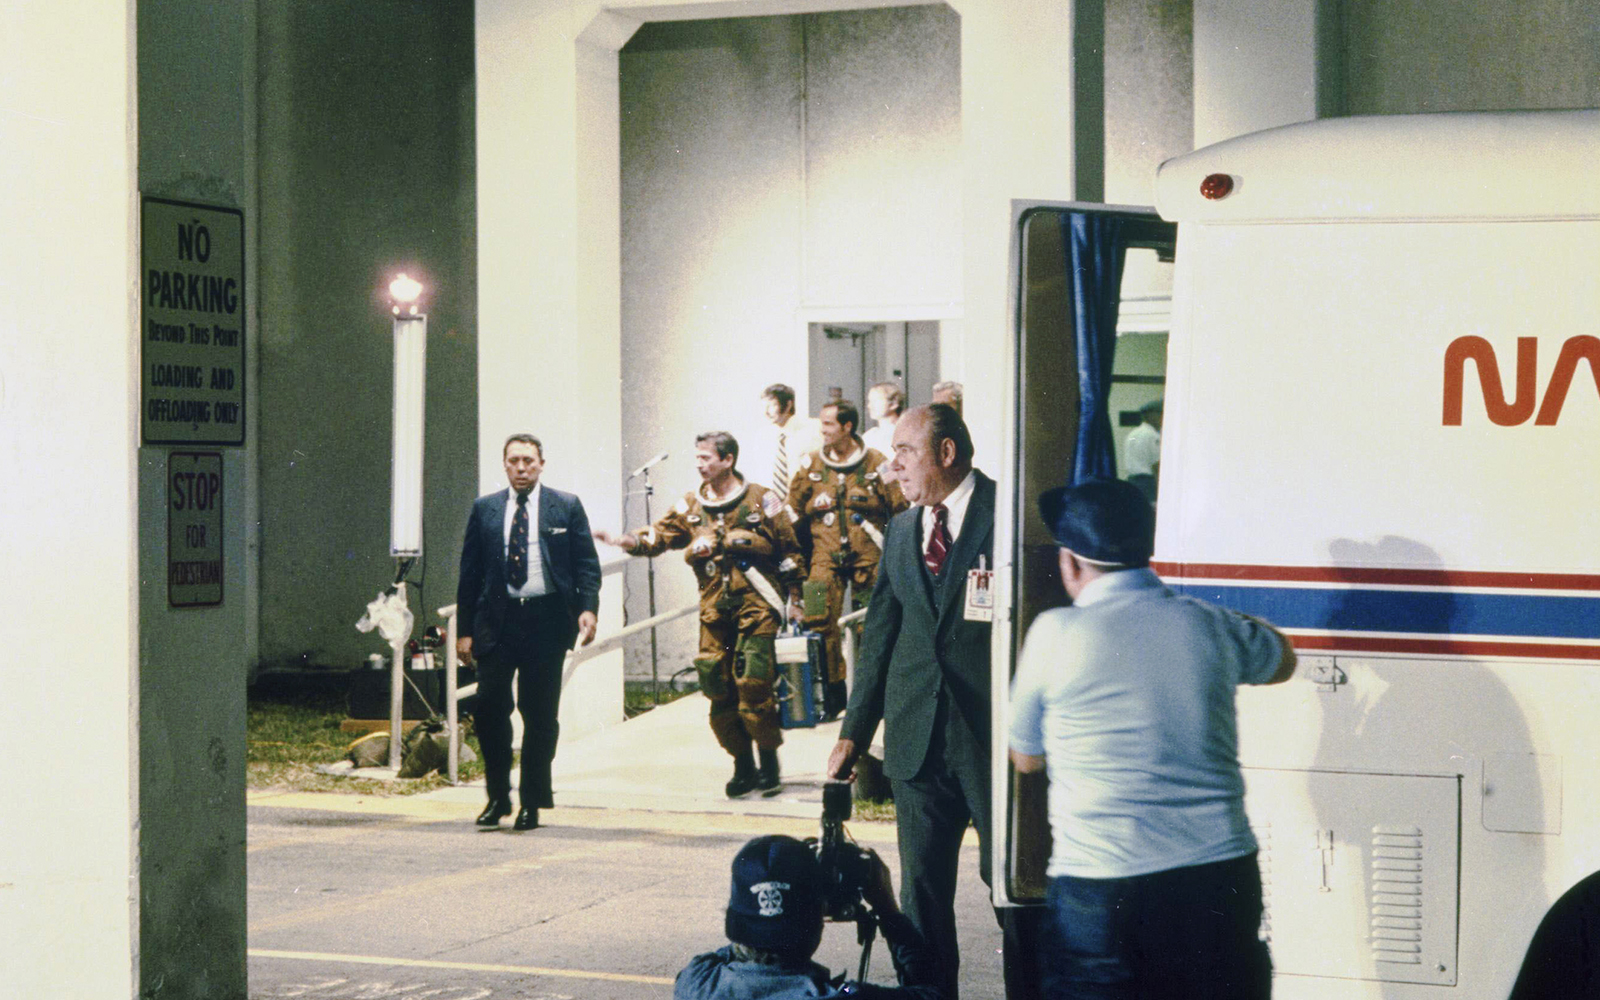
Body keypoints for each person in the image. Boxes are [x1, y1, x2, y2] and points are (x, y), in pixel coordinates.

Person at [1008, 477, 1297, 1000]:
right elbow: (1282, 659)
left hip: (1101, 886)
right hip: (1217, 880)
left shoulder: (1054, 634)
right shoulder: (1207, 624)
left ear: (1071, 563)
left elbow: (1025, 758)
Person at [826, 404, 1041, 1000]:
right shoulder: (901, 530)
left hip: (993, 741)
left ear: (946, 454)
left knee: (1011, 890)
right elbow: (880, 640)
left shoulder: (1010, 518)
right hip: (917, 741)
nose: (892, 466)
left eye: (905, 452)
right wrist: (854, 731)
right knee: (920, 897)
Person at [597, 432, 805, 797]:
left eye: (706, 457)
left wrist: (797, 597)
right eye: (697, 457)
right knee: (716, 685)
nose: (699, 463)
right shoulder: (691, 505)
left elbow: (790, 548)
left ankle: (769, 763)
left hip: (757, 606)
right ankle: (744, 766)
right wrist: (622, 540)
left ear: (728, 460)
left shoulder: (763, 499)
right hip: (714, 610)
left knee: (754, 683)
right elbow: (658, 537)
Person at [455, 434, 601, 831]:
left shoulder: (565, 506)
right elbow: (469, 572)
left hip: (546, 621)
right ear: (504, 464)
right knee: (488, 710)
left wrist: (588, 608)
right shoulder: (485, 508)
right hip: (497, 623)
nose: (522, 468)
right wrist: (465, 631)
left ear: (541, 464)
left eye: (529, 461)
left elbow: (586, 563)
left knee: (540, 716)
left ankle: (531, 802)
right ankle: (498, 796)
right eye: (514, 461)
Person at [675, 834, 947, 1000]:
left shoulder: (696, 982)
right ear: (819, 919)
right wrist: (888, 912)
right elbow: (932, 994)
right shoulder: (845, 995)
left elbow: (732, 951)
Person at [787, 400, 906, 720]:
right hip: (824, 558)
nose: (821, 431)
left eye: (828, 425)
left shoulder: (879, 463)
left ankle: (874, 699)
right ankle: (834, 697)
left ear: (847, 427)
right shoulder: (809, 465)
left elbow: (902, 508)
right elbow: (791, 512)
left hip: (869, 556)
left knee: (875, 625)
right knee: (817, 618)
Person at [762, 383, 823, 504]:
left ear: (788, 404)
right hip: (775, 508)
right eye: (764, 406)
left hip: (806, 502)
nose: (766, 412)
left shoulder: (813, 429)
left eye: (771, 406)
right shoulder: (764, 437)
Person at [1123, 398, 1161, 502]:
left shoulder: (1132, 434)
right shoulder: (1153, 435)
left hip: (1132, 482)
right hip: (1147, 484)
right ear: (1151, 415)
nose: (1161, 419)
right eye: (1159, 415)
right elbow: (1157, 465)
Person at [861, 381, 906, 459]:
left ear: (893, 404)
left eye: (875, 401)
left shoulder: (904, 434)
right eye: (869, 401)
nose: (869, 406)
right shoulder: (869, 435)